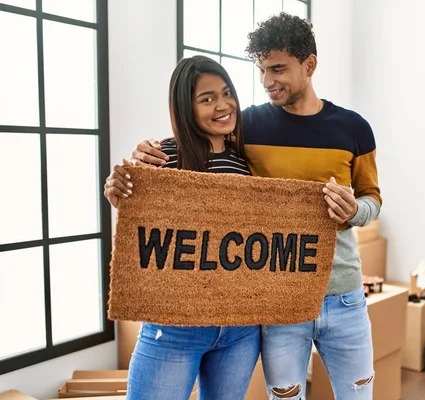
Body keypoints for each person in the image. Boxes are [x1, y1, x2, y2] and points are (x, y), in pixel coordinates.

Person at [108, 12, 381, 400]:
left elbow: (373, 198)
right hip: (273, 298)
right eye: (262, 71)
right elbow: (181, 166)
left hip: (340, 295)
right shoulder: (247, 127)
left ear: (310, 65)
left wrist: (355, 211)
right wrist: (133, 168)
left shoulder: (353, 128)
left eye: (278, 69)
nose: (268, 81)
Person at [104, 55, 258, 400]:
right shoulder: (164, 156)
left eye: (227, 93)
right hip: (174, 325)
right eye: (207, 99)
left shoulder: (244, 162)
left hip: (239, 328)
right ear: (185, 108)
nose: (223, 105)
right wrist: (119, 190)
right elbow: (137, 220)